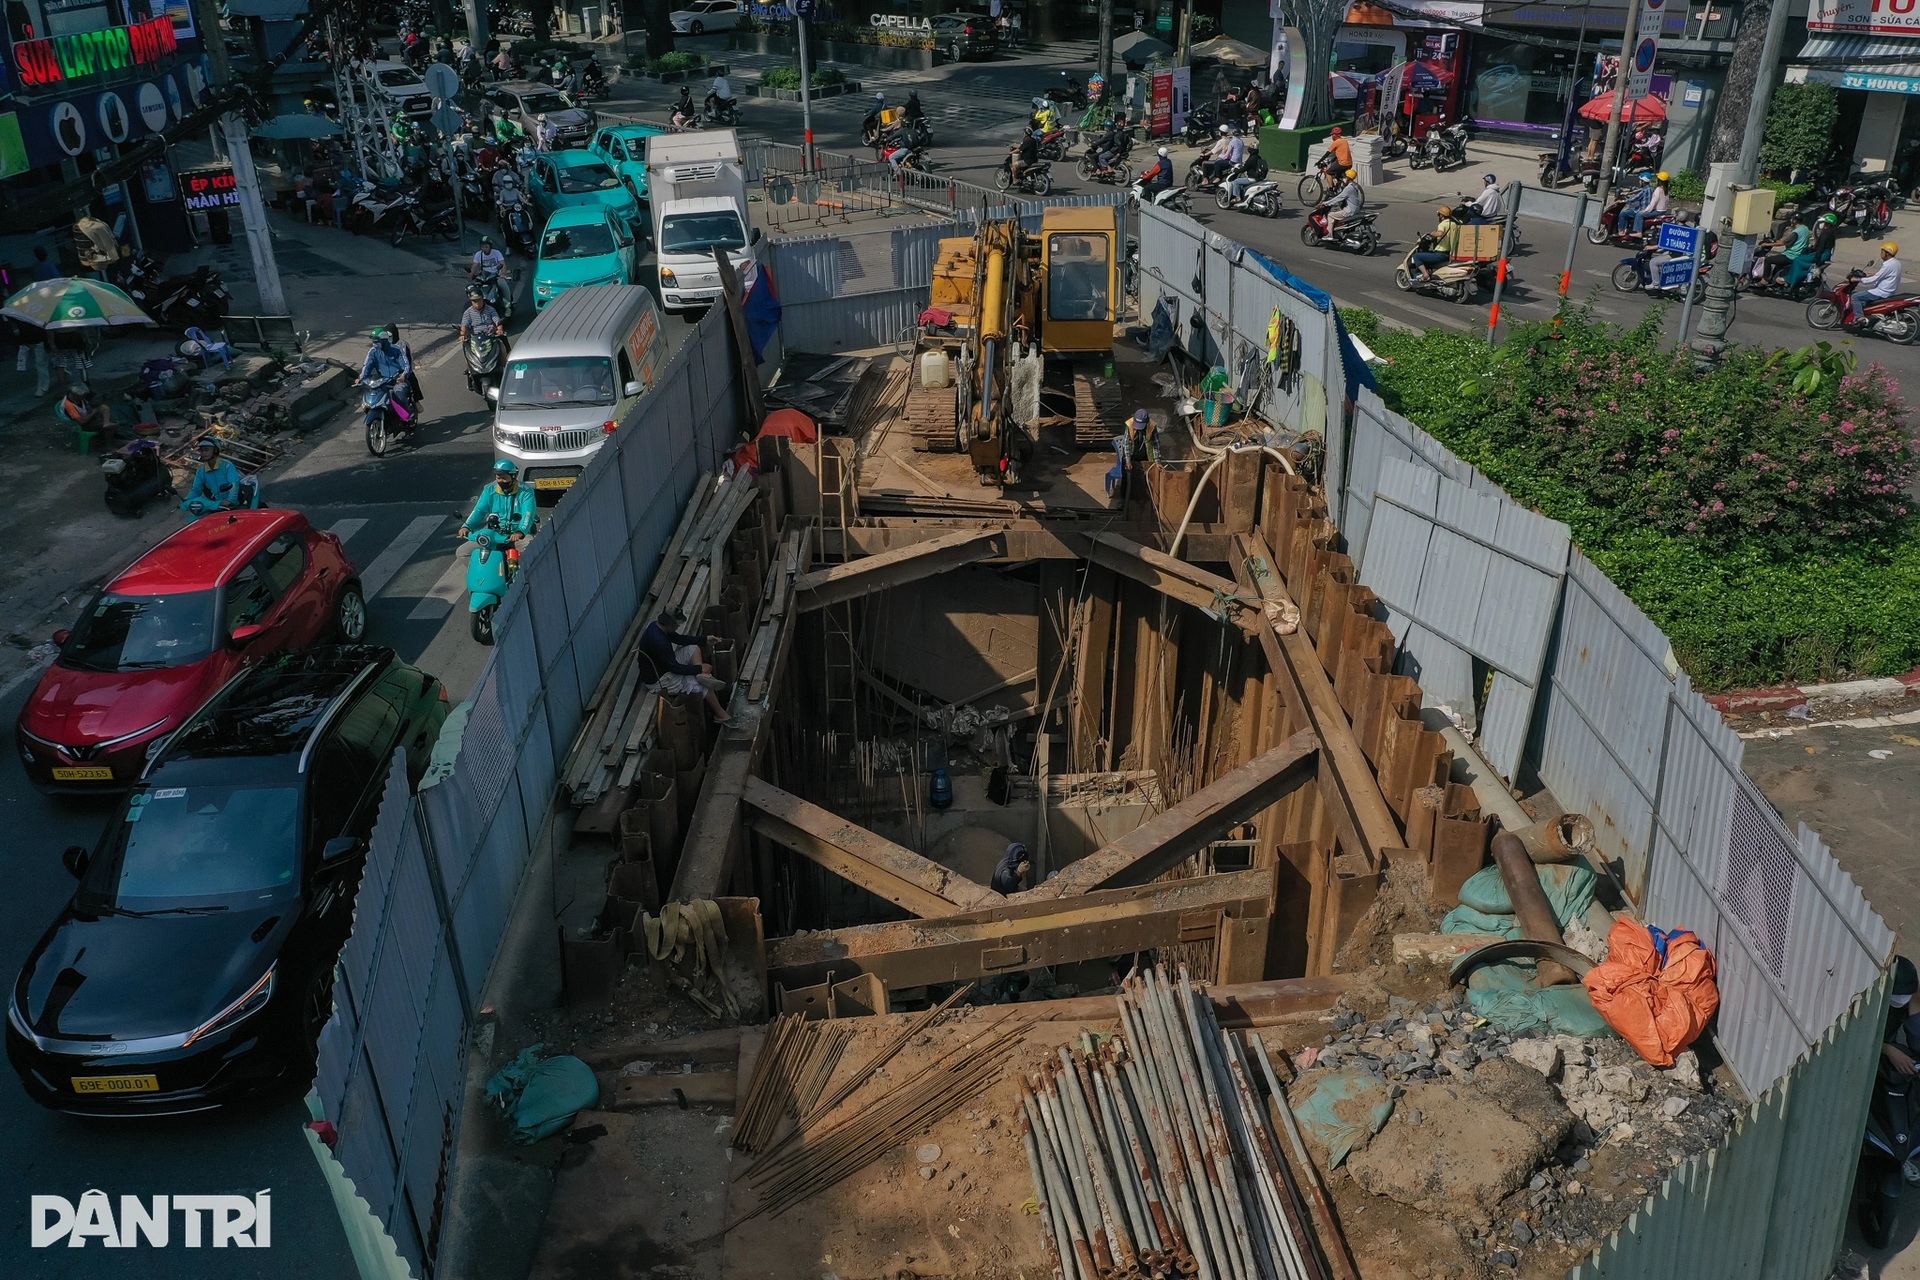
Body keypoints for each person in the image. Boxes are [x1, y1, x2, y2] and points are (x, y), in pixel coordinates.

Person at [636, 606, 731, 725]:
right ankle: (721, 715)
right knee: (702, 687)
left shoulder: (656, 626)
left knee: (692, 648)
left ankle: (701, 675)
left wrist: (705, 639)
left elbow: (679, 639)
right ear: (669, 624)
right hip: (659, 679)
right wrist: (700, 667)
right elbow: (675, 668)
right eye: (676, 624)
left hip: (664, 665)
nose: (678, 626)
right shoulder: (659, 642)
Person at [181, 437, 244, 514]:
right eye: (202, 450)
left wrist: (230, 500)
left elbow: (234, 483)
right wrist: (186, 500)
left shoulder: (227, 465)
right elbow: (196, 490)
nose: (203, 453)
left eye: (207, 450)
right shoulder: (201, 471)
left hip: (235, 504)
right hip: (217, 505)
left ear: (215, 450)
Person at [1849, 241, 1904, 324]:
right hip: (1890, 291)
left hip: (1881, 292)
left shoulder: (1888, 265)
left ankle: (1859, 317)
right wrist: (1870, 274)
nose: (1881, 254)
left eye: (1882, 252)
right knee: (1862, 297)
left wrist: (1858, 279)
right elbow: (1885, 275)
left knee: (1855, 296)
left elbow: (1874, 279)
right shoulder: (1896, 263)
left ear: (1887, 253)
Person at [1883, 957, 1919, 1078]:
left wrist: (1915, 1000)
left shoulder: (1911, 992)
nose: (1902, 998)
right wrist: (1888, 1050)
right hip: (1875, 1048)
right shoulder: (1868, 1006)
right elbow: (1861, 1039)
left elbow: (1917, 1044)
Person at [1410, 205, 1462, 282]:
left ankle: (1425, 275)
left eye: (1439, 214)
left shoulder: (1443, 224)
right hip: (1449, 253)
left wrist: (1432, 233)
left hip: (1440, 254)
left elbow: (1440, 233)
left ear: (1441, 215)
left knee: (1417, 256)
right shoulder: (1453, 224)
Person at [1758, 215, 1812, 286]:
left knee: (1768, 260)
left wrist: (1767, 244)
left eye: (1791, 219)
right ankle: (1774, 281)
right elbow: (1790, 240)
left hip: (1790, 255)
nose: (1790, 220)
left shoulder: (1796, 232)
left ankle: (1765, 280)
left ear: (1795, 220)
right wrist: (1777, 240)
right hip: (1799, 254)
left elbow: (1783, 243)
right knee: (1778, 262)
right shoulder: (1805, 229)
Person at [357, 326, 412, 392]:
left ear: (384, 340)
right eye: (373, 341)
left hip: (397, 381)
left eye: (377, 341)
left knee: (400, 392)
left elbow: (406, 365)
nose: (375, 344)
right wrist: (361, 378)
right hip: (380, 381)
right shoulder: (373, 351)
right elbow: (367, 366)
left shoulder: (397, 350)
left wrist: (403, 376)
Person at [1626, 171, 1670, 237]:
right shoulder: (1666, 190)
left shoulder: (1658, 189)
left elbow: (1653, 202)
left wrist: (1646, 210)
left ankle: (1638, 232)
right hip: (1663, 210)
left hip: (1658, 211)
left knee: (1639, 214)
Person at [1320, 170, 1363, 237]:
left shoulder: (1348, 188)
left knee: (1330, 215)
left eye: (1345, 177)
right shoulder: (1355, 186)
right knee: (1337, 212)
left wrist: (1326, 203)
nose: (1344, 179)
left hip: (1350, 211)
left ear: (1348, 178)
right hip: (1356, 210)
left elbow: (1338, 198)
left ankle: (1329, 235)